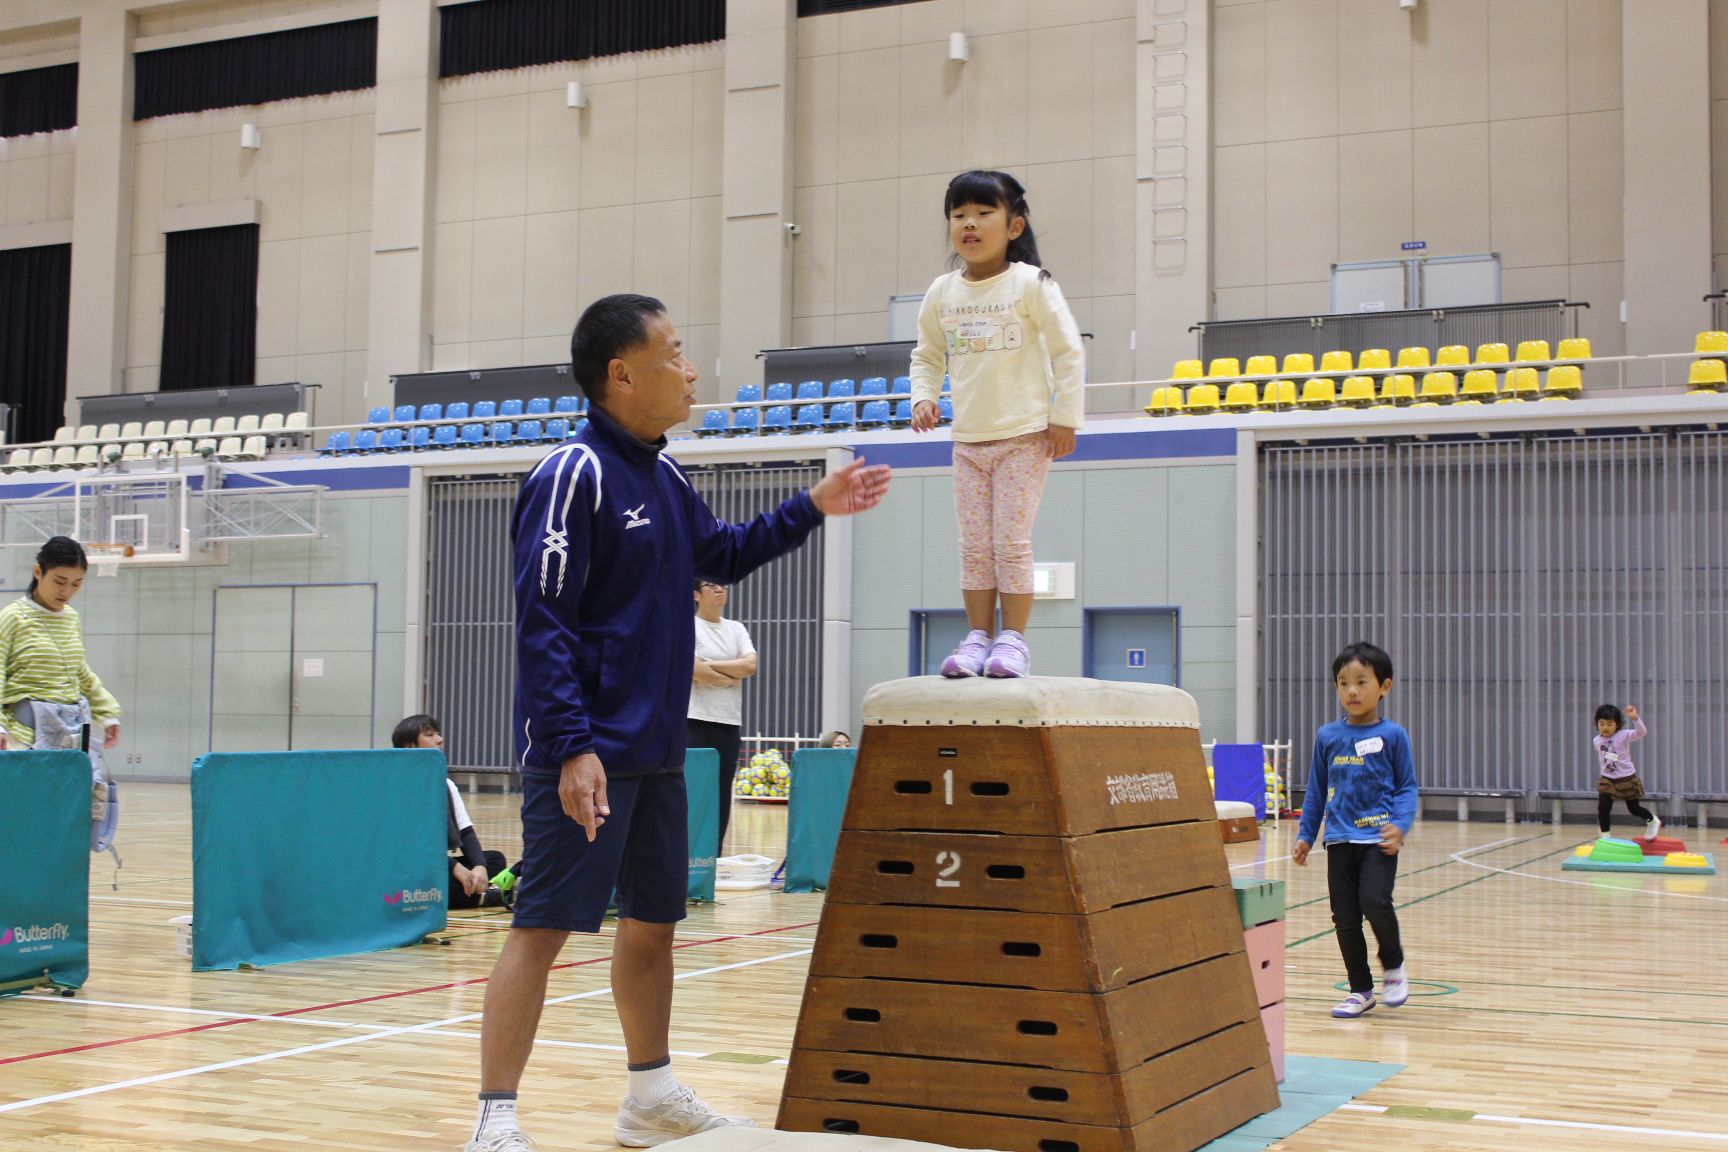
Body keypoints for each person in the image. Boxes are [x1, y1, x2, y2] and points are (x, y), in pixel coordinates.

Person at [464, 294, 890, 1152]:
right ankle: (495, 1116)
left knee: (655, 923)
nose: (691, 370)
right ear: (621, 372)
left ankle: (648, 1094)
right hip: (585, 755)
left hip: (662, 749)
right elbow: (543, 623)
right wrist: (570, 747)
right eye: (675, 352)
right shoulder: (570, 475)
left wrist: (813, 504)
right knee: (541, 929)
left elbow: (722, 554)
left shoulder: (666, 475)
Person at [908, 169, 1085, 679]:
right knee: (974, 545)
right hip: (968, 441)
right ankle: (978, 637)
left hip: (1024, 435)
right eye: (959, 214)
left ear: (1013, 226)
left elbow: (1068, 351)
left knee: (1010, 541)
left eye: (984, 213)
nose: (970, 223)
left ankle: (1014, 641)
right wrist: (924, 398)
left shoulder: (1031, 283)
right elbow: (926, 356)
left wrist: (1064, 417)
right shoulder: (942, 292)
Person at [1292, 642, 1417, 1020]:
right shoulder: (1327, 736)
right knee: (1344, 918)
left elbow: (1407, 786)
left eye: (1362, 682)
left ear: (1384, 686)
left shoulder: (1394, 735)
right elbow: (1316, 788)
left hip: (1378, 839)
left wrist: (1400, 825)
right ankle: (1360, 990)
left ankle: (1393, 963)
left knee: (1375, 900)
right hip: (1339, 840)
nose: (1351, 691)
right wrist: (1305, 834)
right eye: (1343, 682)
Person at [0, 537, 122, 835]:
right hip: (23, 736)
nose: (67, 592)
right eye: (60, 581)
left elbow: (80, 673)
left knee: (63, 823)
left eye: (77, 584)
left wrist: (108, 712)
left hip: (70, 734)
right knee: (22, 821)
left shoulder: (71, 620)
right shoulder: (13, 617)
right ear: (38, 572)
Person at [392, 714, 515, 909]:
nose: (440, 740)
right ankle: (484, 896)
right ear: (410, 747)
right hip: (406, 865)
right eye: (430, 735)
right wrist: (454, 866)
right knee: (426, 881)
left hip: (437, 862)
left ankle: (476, 889)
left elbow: (466, 832)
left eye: (438, 734)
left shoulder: (446, 784)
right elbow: (413, 844)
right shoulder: (396, 786)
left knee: (495, 859)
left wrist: (479, 867)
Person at [686, 579, 755, 856]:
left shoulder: (736, 629)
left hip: (729, 724)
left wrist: (709, 667)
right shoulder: (688, 626)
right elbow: (691, 669)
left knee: (722, 793)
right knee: (694, 792)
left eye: (721, 585)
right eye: (711, 585)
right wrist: (728, 674)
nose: (719, 589)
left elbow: (750, 665)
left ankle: (711, 859)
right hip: (694, 721)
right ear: (696, 594)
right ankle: (686, 858)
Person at [1593, 704, 1658, 840]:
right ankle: (1605, 835)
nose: (1605, 727)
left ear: (1617, 725)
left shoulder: (1623, 735)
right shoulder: (1597, 740)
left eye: (1609, 724)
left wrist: (1635, 717)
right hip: (1607, 779)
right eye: (1602, 723)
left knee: (1634, 809)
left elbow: (1641, 733)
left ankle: (1652, 821)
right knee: (1603, 807)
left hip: (1626, 778)